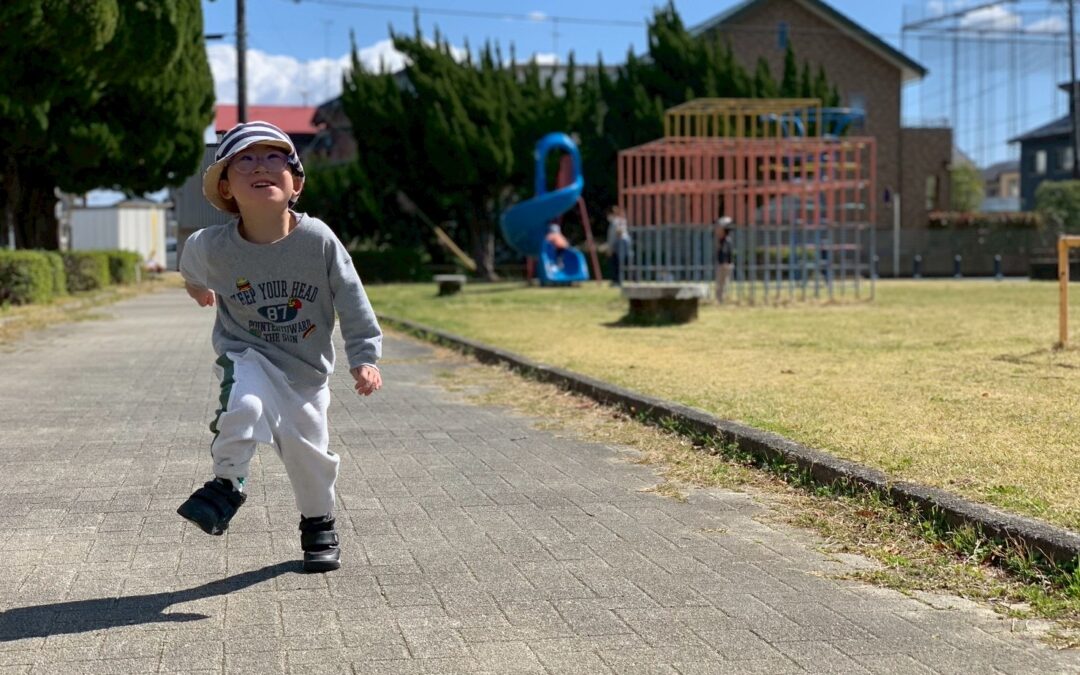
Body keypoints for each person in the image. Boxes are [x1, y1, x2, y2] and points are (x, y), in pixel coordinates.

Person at [176, 121, 383, 573]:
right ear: (227, 187)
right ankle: (226, 484)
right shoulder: (213, 245)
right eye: (245, 160)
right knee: (243, 405)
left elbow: (352, 299)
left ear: (295, 183)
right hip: (246, 354)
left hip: (305, 371)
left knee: (310, 457)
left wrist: (364, 356)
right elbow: (190, 266)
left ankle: (318, 523)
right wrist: (197, 290)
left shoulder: (318, 240)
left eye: (274, 158)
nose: (260, 167)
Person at [605, 205, 632, 286]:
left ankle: (617, 281)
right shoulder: (622, 220)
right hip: (622, 243)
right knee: (621, 262)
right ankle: (618, 280)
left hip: (619, 243)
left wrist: (610, 247)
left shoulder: (616, 221)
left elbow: (616, 234)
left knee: (618, 263)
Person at [715, 216, 734, 303]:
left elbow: (725, 253)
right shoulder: (722, 240)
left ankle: (721, 300)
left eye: (719, 228)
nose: (717, 230)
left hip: (724, 265)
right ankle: (720, 299)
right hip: (722, 264)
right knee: (720, 283)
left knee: (722, 283)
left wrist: (724, 263)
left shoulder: (726, 241)